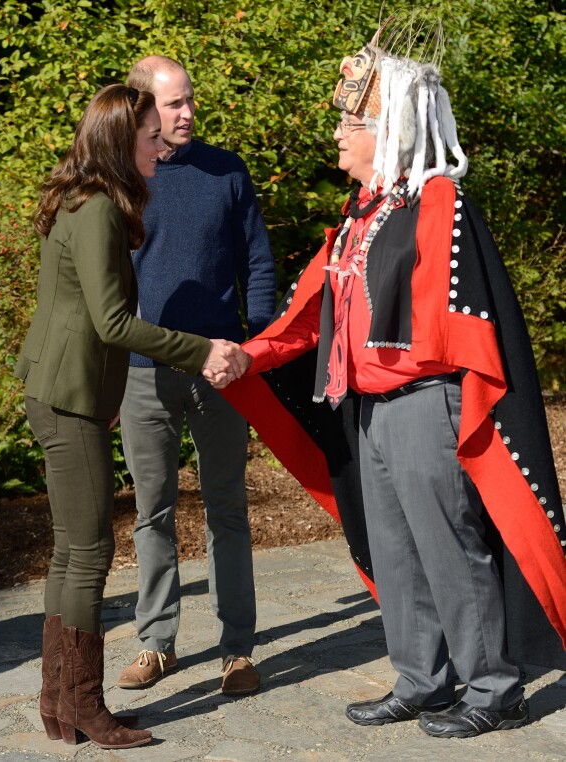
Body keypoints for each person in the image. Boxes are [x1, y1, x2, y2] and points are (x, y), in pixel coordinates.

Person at [219, 13, 566, 739]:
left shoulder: (437, 201)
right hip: (370, 410)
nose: (339, 135)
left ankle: (496, 687)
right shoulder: (360, 215)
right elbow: (312, 313)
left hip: (425, 404)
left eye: (354, 121)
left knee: (449, 546)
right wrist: (253, 356)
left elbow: (456, 318)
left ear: (393, 130)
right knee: (397, 551)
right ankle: (420, 677)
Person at [14, 84, 249, 750]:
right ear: (123, 140)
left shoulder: (86, 200)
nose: (161, 144)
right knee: (88, 554)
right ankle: (85, 707)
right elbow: (113, 321)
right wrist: (203, 349)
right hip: (68, 395)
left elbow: (88, 318)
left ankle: (60, 704)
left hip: (69, 388)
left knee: (70, 553)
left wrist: (109, 386)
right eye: (150, 135)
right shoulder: (96, 212)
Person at [115, 56, 275, 696]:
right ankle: (156, 643)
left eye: (189, 101)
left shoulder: (226, 171)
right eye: (173, 104)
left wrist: (254, 346)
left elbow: (256, 262)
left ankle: (238, 648)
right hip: (139, 371)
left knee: (227, 508)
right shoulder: (122, 179)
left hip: (221, 370)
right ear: (141, 107)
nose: (187, 113)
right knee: (151, 510)